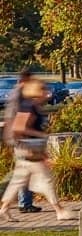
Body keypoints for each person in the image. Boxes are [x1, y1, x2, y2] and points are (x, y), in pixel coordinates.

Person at [0, 80, 76, 221]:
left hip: (29, 148)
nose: (47, 93)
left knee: (18, 180)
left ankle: (4, 208)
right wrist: (40, 135)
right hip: (30, 149)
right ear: (36, 93)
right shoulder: (29, 107)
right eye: (43, 90)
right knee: (47, 179)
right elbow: (19, 128)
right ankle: (59, 210)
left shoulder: (32, 106)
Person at [2, 69, 40, 213]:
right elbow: (19, 117)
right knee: (25, 172)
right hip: (21, 137)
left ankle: (24, 202)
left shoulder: (17, 93)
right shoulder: (20, 95)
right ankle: (24, 203)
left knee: (24, 171)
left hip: (19, 137)